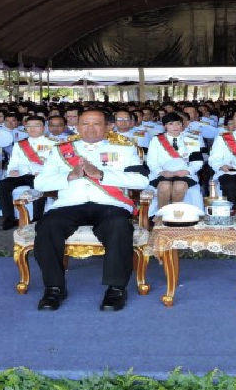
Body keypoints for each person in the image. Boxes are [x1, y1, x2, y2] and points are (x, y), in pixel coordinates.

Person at [32, 109, 149, 312]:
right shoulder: (60, 150)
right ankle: (54, 288)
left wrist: (101, 174)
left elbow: (141, 180)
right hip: (70, 204)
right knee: (48, 225)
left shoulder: (124, 149)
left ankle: (116, 288)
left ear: (108, 126)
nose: (90, 129)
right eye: (85, 124)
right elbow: (40, 183)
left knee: (119, 225)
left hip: (110, 204)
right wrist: (70, 176)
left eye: (96, 124)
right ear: (77, 126)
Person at [0, 116, 53, 230]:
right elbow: (13, 163)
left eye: (36, 125)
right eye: (29, 126)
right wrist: (12, 170)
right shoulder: (20, 144)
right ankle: (9, 218)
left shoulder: (52, 143)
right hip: (22, 174)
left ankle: (37, 219)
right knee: (2, 185)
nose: (32, 129)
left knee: (38, 184)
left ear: (44, 127)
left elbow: (55, 164)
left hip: (40, 175)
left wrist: (43, 172)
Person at [147, 112, 205, 209]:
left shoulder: (192, 139)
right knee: (164, 187)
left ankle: (174, 214)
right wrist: (161, 172)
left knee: (179, 187)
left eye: (178, 123)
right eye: (171, 124)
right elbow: (151, 161)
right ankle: (161, 215)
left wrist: (187, 171)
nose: (175, 126)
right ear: (165, 126)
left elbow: (197, 161)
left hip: (185, 173)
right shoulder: (156, 140)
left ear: (182, 125)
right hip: (162, 173)